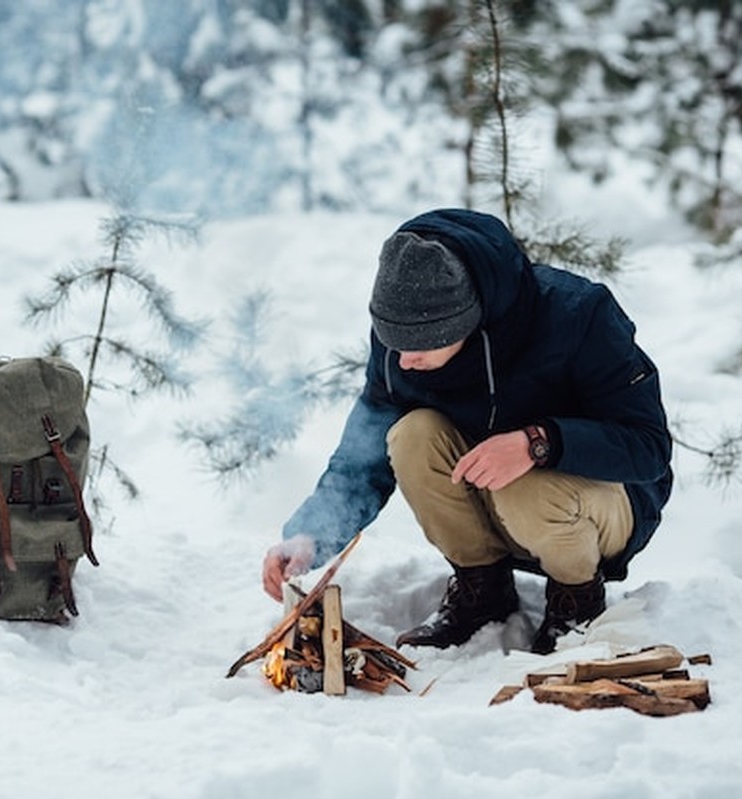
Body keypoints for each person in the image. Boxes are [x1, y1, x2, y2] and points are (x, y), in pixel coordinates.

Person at [261, 208, 672, 655]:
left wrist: (540, 443)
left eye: (417, 346)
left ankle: (575, 604)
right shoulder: (404, 334)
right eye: (391, 341)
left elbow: (648, 448)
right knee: (409, 434)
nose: (401, 361)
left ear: (463, 322)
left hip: (604, 506)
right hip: (495, 499)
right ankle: (484, 592)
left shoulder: (579, 314)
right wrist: (312, 535)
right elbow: (364, 450)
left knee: (527, 488)